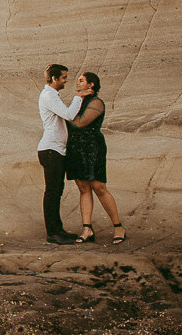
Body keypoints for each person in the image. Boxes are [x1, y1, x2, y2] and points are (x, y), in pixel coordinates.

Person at [67, 71, 126, 244]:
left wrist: (64, 113)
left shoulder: (97, 102)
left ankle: (118, 227)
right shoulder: (78, 101)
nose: (77, 84)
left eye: (81, 81)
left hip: (92, 147)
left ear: (91, 84)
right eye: (77, 81)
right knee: (83, 186)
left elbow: (80, 122)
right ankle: (87, 229)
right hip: (76, 147)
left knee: (99, 186)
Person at [37, 64, 83, 243]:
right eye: (63, 77)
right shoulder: (49, 96)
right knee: (52, 192)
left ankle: (58, 230)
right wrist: (79, 97)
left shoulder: (51, 95)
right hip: (50, 150)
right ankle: (53, 233)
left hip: (54, 149)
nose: (66, 81)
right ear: (54, 78)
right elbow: (69, 114)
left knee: (56, 191)